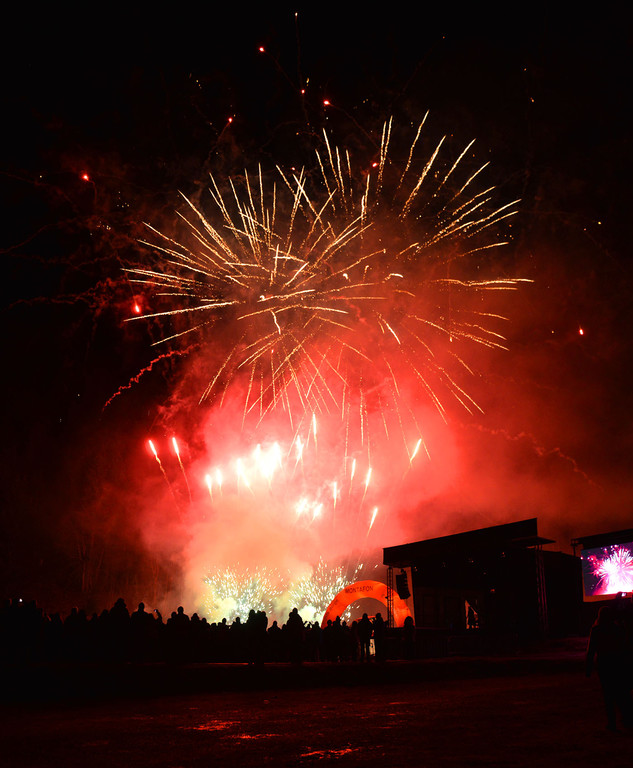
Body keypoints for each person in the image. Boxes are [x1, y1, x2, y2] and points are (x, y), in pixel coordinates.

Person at [586, 605, 633, 731]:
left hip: (604, 665)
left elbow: (591, 650)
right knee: (621, 692)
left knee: (608, 694)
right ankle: (626, 719)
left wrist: (588, 668)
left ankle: (612, 722)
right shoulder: (617, 629)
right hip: (617, 664)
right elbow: (624, 647)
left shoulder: (596, 630)